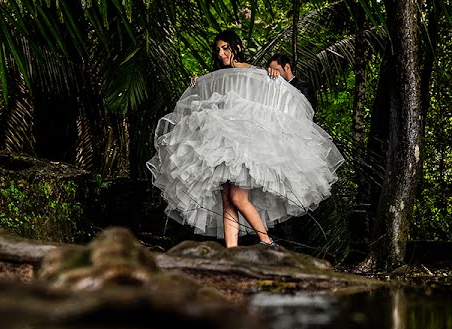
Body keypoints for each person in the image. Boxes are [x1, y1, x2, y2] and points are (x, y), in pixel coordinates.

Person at [147, 30, 343, 249]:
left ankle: (267, 241)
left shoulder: (255, 73)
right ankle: (231, 251)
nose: (221, 54)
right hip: (221, 146)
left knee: (239, 197)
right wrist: (198, 84)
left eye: (226, 48)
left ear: (237, 47)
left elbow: (270, 102)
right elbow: (206, 106)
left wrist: (272, 76)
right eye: (218, 50)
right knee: (227, 200)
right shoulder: (216, 79)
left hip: (245, 146)